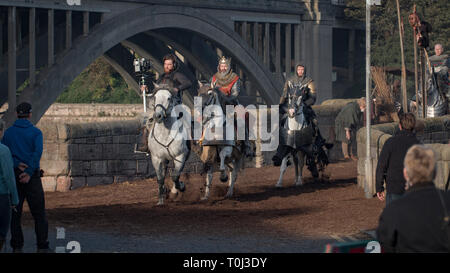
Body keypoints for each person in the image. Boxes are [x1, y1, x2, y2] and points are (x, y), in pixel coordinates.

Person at [376, 145, 450, 253]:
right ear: (435, 172)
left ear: (405, 174)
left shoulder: (393, 210)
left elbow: (386, 244)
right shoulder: (446, 201)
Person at [1, 102, 51, 253]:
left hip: (15, 174)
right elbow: (37, 153)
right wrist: (29, 172)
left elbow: (4, 152)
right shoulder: (36, 133)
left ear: (16, 114)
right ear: (30, 114)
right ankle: (42, 246)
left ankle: (17, 246)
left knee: (16, 214)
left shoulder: (8, 133)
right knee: (39, 214)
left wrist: (17, 164)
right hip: (32, 177)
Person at [272, 64, 326, 177]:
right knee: (281, 122)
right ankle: (280, 148)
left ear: (304, 70)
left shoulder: (309, 81)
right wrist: (281, 104)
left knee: (314, 122)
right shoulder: (290, 80)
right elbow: (284, 94)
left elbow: (313, 97)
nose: (300, 71)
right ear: (296, 70)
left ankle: (316, 143)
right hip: (290, 107)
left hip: (304, 107)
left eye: (302, 69)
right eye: (298, 69)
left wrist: (304, 104)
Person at [135, 54, 193, 153]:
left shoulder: (177, 75)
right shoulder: (161, 77)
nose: (166, 66)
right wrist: (146, 89)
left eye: (169, 64)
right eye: (165, 64)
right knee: (145, 120)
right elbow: (155, 91)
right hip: (161, 106)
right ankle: (145, 144)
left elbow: (188, 83)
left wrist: (177, 88)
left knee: (188, 121)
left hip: (174, 105)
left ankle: (192, 144)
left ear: (173, 65)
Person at [209, 56, 253, 157]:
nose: (223, 68)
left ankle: (246, 144)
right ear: (219, 66)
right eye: (221, 65)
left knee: (240, 117)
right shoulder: (214, 78)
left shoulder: (234, 78)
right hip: (216, 104)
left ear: (228, 67)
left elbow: (235, 94)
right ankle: (201, 141)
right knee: (204, 117)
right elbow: (211, 91)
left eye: (225, 66)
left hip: (231, 103)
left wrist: (225, 98)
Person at [375, 113, 421, 206]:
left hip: (394, 188)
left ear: (400, 126)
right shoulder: (418, 145)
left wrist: (379, 188)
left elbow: (381, 166)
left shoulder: (390, 142)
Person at [0, 119, 19, 252]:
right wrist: (15, 199)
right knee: (1, 233)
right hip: (1, 196)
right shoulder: (3, 151)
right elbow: (8, 177)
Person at [429, 44, 449, 111]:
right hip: (431, 80)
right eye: (436, 49)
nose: (437, 51)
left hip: (443, 81)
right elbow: (426, 69)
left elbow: (446, 69)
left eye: (439, 49)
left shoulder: (446, 58)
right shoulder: (430, 59)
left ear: (442, 49)